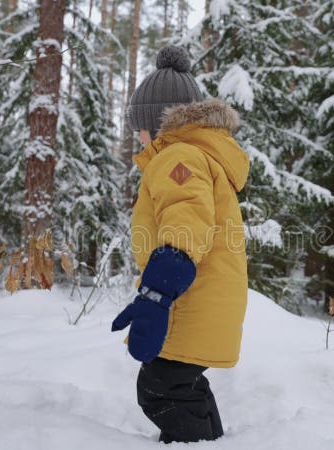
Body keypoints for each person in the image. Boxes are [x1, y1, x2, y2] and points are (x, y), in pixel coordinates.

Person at [111, 45, 250, 444]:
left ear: (157, 123)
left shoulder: (180, 157)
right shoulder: (193, 154)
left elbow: (187, 221)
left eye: (138, 125)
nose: (135, 135)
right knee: (179, 385)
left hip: (188, 300)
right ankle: (210, 441)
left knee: (160, 388)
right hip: (198, 298)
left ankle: (194, 443)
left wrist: (157, 293)